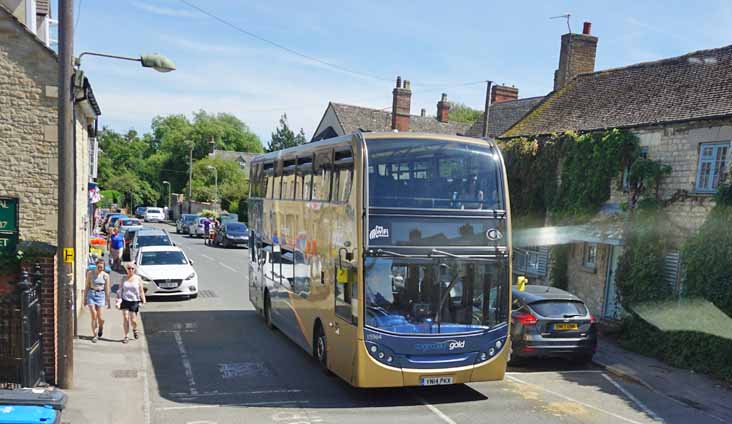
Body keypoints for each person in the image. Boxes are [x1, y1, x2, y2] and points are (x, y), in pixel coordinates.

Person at [118, 263, 146, 344]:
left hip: (134, 301)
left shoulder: (138, 279)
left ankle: (135, 329)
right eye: (129, 268)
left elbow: (141, 290)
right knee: (126, 318)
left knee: (133, 320)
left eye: (132, 268)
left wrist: (143, 300)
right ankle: (126, 336)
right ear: (126, 269)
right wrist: (118, 299)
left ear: (134, 269)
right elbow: (120, 290)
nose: (130, 270)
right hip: (125, 300)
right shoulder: (123, 278)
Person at [84, 258, 111, 342]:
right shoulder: (90, 274)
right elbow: (87, 286)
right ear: (96, 266)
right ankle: (95, 335)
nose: (100, 269)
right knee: (94, 315)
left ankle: (101, 327)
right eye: (99, 267)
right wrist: (84, 298)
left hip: (101, 295)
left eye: (102, 267)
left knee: (101, 317)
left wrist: (108, 301)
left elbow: (107, 289)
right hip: (91, 294)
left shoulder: (105, 276)